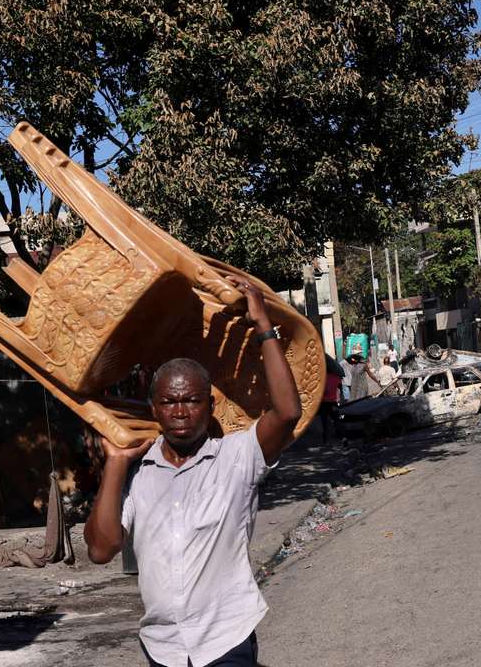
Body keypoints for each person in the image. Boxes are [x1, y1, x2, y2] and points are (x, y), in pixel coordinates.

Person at [84, 275, 302, 667]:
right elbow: (101, 549)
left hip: (225, 640)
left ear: (209, 406)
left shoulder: (237, 458)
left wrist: (263, 326)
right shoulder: (139, 474)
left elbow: (287, 413)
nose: (181, 411)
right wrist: (116, 462)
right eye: (169, 401)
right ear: (155, 408)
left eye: (192, 400)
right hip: (163, 646)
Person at [319, 355, 343, 444]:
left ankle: (325, 440)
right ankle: (343, 438)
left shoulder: (322, 378)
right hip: (333, 402)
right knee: (337, 420)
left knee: (324, 422)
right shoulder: (337, 377)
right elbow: (339, 387)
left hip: (324, 403)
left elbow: (324, 391)